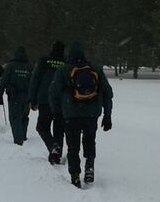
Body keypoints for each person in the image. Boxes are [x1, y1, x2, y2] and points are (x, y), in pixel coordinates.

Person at [49, 42, 113, 188]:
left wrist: (57, 112)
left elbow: (53, 93)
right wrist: (107, 115)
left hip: (71, 114)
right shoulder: (95, 68)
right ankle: (89, 168)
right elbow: (108, 93)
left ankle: (75, 175)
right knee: (90, 141)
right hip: (92, 113)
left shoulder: (63, 70)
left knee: (73, 146)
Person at [29, 41, 66, 164]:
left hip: (45, 99)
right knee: (59, 129)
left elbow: (35, 81)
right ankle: (57, 155)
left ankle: (52, 147)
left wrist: (32, 100)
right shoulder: (66, 64)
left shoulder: (44, 62)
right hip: (61, 101)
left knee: (42, 127)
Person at [0, 46, 32, 145]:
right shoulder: (30, 66)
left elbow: (3, 81)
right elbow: (34, 82)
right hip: (27, 95)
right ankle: (23, 135)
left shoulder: (10, 66)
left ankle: (18, 139)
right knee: (24, 116)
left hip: (14, 96)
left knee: (14, 117)